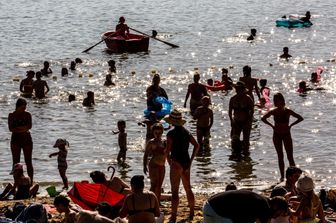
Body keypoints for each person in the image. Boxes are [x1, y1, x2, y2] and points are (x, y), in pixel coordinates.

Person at [164, 109, 199, 222]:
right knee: (188, 188)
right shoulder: (186, 132)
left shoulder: (170, 134)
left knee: (175, 191)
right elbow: (197, 146)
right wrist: (191, 160)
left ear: (172, 122)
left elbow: (167, 151)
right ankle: (192, 213)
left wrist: (169, 162)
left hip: (176, 162)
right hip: (186, 162)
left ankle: (174, 216)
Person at [261, 93, 304, 181]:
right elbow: (263, 118)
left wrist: (291, 125)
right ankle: (282, 177)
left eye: (277, 100)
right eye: (275, 100)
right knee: (280, 156)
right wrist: (272, 126)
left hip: (286, 134)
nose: (276, 101)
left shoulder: (287, 111)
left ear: (282, 100)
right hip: (276, 134)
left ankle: (294, 176)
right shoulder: (274, 111)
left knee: (290, 156)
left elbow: (300, 118)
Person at [203, 189, 279, 223]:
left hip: (209, 207)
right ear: (275, 207)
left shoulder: (261, 200)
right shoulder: (263, 205)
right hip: (214, 211)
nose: (275, 217)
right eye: (278, 214)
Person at [8, 98, 34, 182]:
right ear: (17, 107)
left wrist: (18, 129)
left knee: (28, 162)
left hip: (26, 140)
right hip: (15, 140)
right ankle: (17, 183)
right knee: (16, 163)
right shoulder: (11, 115)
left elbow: (29, 127)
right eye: (22, 108)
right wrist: (23, 129)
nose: (24, 109)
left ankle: (30, 182)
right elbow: (11, 129)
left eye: (25, 107)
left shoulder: (27, 114)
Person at [228, 81, 254, 158]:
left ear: (243, 89)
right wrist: (231, 120)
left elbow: (252, 110)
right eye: (237, 88)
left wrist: (249, 121)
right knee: (235, 140)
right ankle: (236, 155)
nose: (237, 90)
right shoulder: (233, 99)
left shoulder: (248, 99)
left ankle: (246, 156)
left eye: (239, 88)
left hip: (246, 121)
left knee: (246, 140)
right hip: (236, 121)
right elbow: (230, 111)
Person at [143, 123, 167, 201]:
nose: (157, 134)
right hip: (153, 165)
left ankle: (157, 201)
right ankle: (149, 201)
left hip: (162, 165)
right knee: (153, 185)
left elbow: (168, 154)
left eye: (159, 133)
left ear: (162, 132)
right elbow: (146, 155)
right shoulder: (151, 142)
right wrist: (144, 166)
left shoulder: (164, 142)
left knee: (159, 185)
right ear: (153, 133)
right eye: (156, 133)